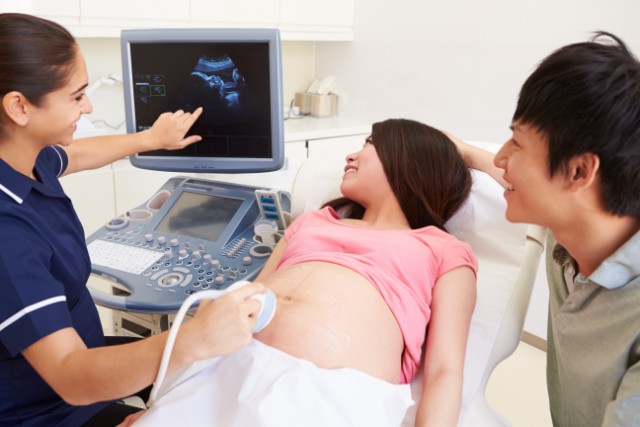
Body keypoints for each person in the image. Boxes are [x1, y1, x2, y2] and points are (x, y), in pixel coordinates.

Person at [0, 13, 267, 427]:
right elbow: (71, 376)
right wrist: (193, 337)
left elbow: (78, 155)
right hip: (46, 408)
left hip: (79, 358)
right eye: (76, 96)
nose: (87, 107)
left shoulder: (25, 160)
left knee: (218, 374)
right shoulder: (7, 234)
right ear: (19, 106)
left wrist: (150, 139)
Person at [126, 118, 478, 427]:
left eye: (369, 145)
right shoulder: (311, 223)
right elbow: (244, 300)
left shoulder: (442, 249)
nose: (351, 156)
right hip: (223, 373)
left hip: (327, 395)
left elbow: (445, 370)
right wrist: (163, 400)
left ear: (410, 162)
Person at [449, 32, 640, 427]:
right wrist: (464, 151)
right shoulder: (579, 223)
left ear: (579, 171)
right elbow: (507, 174)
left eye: (516, 143)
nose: (501, 157)